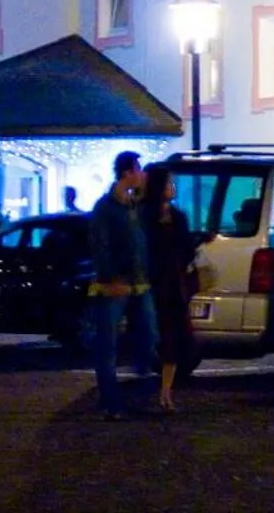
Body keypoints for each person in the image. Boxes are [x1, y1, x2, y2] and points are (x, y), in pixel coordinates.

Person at [88, 150, 158, 421]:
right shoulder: (106, 208)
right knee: (107, 345)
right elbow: (100, 246)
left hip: (138, 283)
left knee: (149, 335)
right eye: (138, 170)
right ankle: (110, 401)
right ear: (127, 172)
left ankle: (139, 392)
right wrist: (110, 277)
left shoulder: (132, 206)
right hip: (115, 285)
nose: (142, 175)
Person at [141, 162, 199, 414]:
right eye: (169, 183)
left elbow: (186, 248)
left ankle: (165, 393)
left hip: (173, 285)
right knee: (153, 336)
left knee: (172, 339)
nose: (173, 187)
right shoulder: (143, 216)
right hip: (151, 284)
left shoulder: (177, 216)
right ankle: (153, 389)